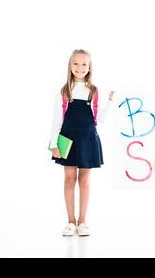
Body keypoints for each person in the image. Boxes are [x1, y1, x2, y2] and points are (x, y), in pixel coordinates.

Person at [50, 49, 114, 236]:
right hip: (67, 139)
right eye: (76, 64)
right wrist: (54, 144)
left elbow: (100, 118)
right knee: (69, 179)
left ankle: (83, 222)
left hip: (87, 139)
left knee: (84, 179)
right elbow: (57, 120)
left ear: (89, 67)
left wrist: (110, 102)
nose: (80, 67)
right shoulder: (64, 91)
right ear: (70, 66)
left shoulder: (93, 91)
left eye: (84, 64)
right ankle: (70, 222)